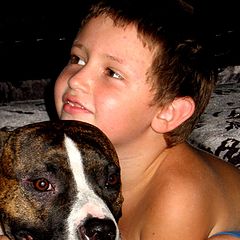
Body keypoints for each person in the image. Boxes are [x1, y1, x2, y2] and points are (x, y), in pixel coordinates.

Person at [1, 0, 240, 239]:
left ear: (167, 112)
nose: (77, 79)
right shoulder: (52, 153)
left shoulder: (180, 197)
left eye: (112, 73)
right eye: (77, 59)